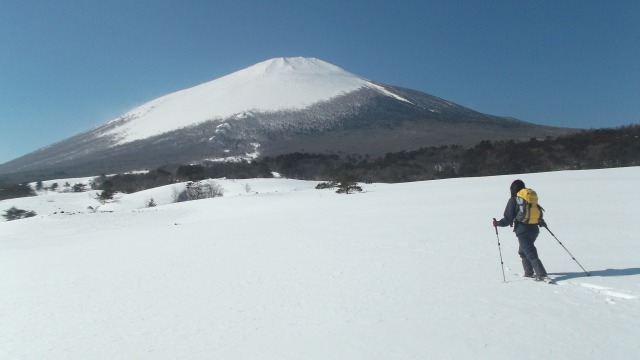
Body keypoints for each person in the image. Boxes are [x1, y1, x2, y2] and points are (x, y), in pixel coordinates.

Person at [493, 180, 548, 280]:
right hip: (534, 229)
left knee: (530, 251)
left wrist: (498, 223)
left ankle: (542, 274)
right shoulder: (529, 198)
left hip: (522, 230)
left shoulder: (514, 200)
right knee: (523, 251)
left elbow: (508, 218)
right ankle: (529, 272)